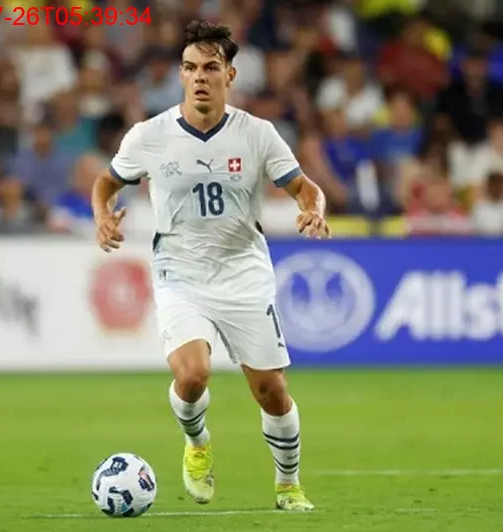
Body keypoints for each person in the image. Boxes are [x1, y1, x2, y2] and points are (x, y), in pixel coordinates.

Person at [90, 20, 330, 512]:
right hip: (179, 272)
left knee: (271, 390)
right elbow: (105, 183)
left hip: (244, 272)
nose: (199, 76)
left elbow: (304, 187)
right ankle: (197, 443)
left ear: (230, 75)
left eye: (210, 67)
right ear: (181, 74)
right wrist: (102, 217)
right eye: (190, 67)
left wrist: (314, 209)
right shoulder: (149, 136)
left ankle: (288, 485)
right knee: (193, 374)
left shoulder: (258, 134)